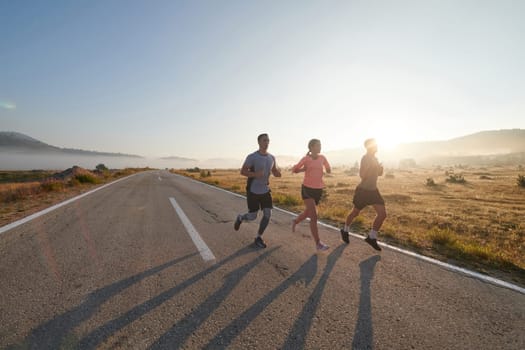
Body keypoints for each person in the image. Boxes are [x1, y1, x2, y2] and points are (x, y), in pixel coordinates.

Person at [234, 133, 282, 248]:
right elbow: (243, 171)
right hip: (253, 190)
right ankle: (240, 218)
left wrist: (278, 173)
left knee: (268, 214)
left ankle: (258, 237)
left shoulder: (272, 158)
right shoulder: (252, 157)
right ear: (259, 142)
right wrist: (255, 174)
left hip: (265, 190)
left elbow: (275, 171)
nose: (266, 143)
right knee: (252, 216)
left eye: (268, 141)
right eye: (264, 141)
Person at [340, 138, 386, 251]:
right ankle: (345, 230)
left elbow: (379, 174)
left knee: (382, 214)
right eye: (375, 145)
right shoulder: (365, 158)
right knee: (355, 213)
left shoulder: (375, 158)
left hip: (373, 190)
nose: (377, 147)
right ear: (369, 147)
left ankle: (372, 237)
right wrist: (372, 167)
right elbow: (362, 175)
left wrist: (380, 168)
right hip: (363, 191)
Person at [291, 139, 331, 251]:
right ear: (311, 147)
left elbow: (328, 170)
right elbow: (295, 169)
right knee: (314, 216)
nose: (320, 147)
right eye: (318, 145)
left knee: (308, 212)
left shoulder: (322, 158)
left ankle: (296, 221)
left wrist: (328, 169)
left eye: (320, 145)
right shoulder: (306, 159)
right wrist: (302, 169)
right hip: (307, 189)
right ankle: (318, 243)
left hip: (318, 190)